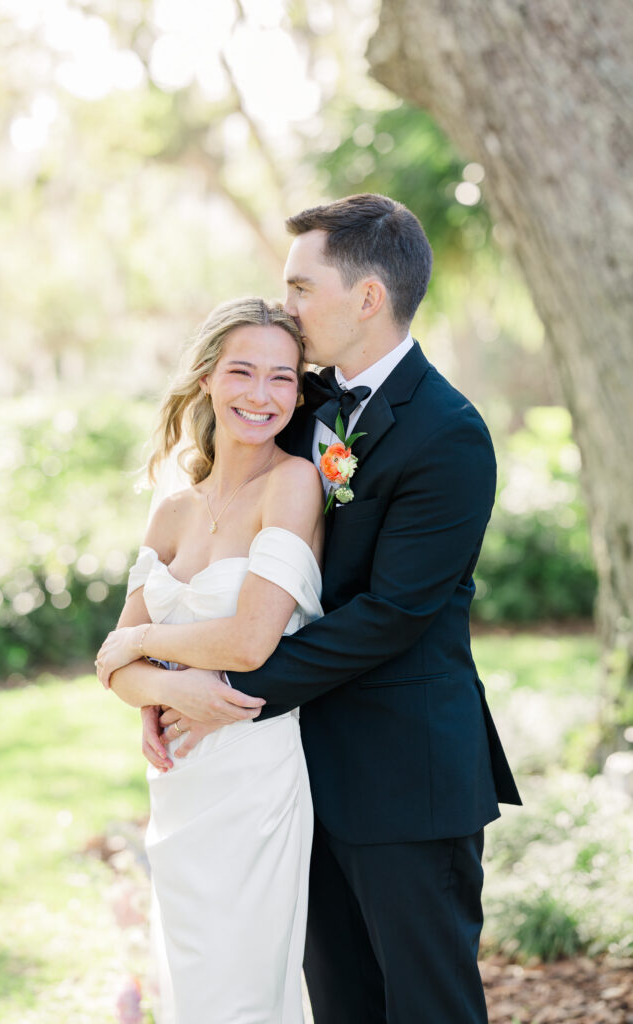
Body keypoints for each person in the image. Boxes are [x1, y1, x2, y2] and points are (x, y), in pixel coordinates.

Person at [100, 193, 522, 1024]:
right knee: (339, 1005)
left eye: (300, 287)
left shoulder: (448, 433)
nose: (285, 304)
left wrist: (220, 695)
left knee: (428, 1006)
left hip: (403, 777)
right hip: (294, 778)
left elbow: (392, 614)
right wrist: (168, 682)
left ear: (366, 297)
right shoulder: (304, 403)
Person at [96, 296, 325, 1024]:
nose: (262, 394)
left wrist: (143, 648)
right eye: (242, 372)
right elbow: (113, 671)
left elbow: (250, 640)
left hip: (254, 775)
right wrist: (161, 687)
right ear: (206, 379)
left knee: (245, 990)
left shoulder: (292, 483)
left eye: (282, 377)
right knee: (194, 989)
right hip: (179, 784)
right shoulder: (172, 510)